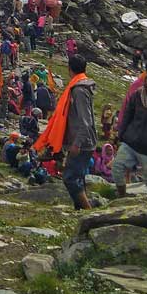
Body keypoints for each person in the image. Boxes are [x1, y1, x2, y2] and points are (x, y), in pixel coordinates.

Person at [34, 54, 97, 210]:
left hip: (81, 142)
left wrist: (77, 143)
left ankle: (87, 211)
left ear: (70, 69)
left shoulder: (79, 91)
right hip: (81, 141)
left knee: (70, 177)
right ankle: (80, 209)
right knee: (78, 177)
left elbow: (85, 120)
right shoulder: (80, 87)